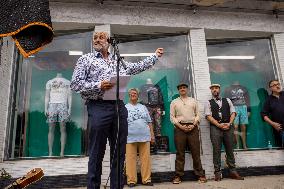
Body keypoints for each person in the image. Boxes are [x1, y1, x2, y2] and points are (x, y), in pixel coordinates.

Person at [70, 31, 163, 189]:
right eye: (95, 38)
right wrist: (99, 85)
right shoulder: (86, 59)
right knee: (96, 152)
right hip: (98, 106)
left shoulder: (118, 60)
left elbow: (136, 67)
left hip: (118, 107)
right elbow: (75, 85)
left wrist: (154, 56)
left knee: (119, 153)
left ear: (109, 41)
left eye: (101, 38)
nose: (97, 40)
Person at [204, 84, 244, 181]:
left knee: (230, 149)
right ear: (211, 91)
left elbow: (233, 112)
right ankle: (217, 172)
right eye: (212, 89)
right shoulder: (208, 102)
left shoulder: (228, 100)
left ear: (219, 89)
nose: (214, 90)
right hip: (215, 128)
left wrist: (229, 123)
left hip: (228, 127)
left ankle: (233, 171)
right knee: (216, 150)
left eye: (216, 88)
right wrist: (218, 125)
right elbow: (208, 116)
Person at [170, 83, 207, 184]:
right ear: (178, 90)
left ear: (187, 89)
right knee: (180, 153)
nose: (182, 89)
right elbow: (172, 117)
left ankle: (200, 175)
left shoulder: (193, 101)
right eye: (180, 88)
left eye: (184, 88)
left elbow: (198, 114)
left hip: (193, 127)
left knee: (196, 152)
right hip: (179, 128)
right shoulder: (174, 102)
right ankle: (178, 176)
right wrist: (180, 126)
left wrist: (194, 124)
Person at [125, 88, 155, 187]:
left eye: (135, 93)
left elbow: (149, 122)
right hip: (130, 137)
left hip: (144, 136)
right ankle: (131, 181)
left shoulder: (143, 107)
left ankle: (146, 180)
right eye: (131, 93)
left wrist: (152, 135)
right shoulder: (125, 107)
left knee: (145, 159)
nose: (133, 95)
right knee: (130, 159)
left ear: (138, 96)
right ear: (129, 96)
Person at [45, 73, 72, 157]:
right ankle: (50, 152)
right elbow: (47, 96)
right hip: (52, 105)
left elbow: (70, 96)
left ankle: (62, 152)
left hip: (63, 105)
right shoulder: (49, 82)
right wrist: (45, 108)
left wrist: (69, 108)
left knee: (63, 128)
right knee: (51, 128)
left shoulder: (68, 82)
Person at [224, 81, 250, 149]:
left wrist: (249, 110)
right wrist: (228, 111)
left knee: (243, 126)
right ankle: (237, 145)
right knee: (235, 126)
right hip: (234, 108)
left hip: (243, 107)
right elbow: (227, 100)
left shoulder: (243, 88)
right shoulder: (228, 89)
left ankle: (244, 145)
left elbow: (247, 99)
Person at [261, 79, 284, 147]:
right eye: (274, 85)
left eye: (278, 84)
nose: (277, 86)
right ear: (270, 88)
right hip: (281, 129)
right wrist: (273, 124)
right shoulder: (268, 100)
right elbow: (263, 114)